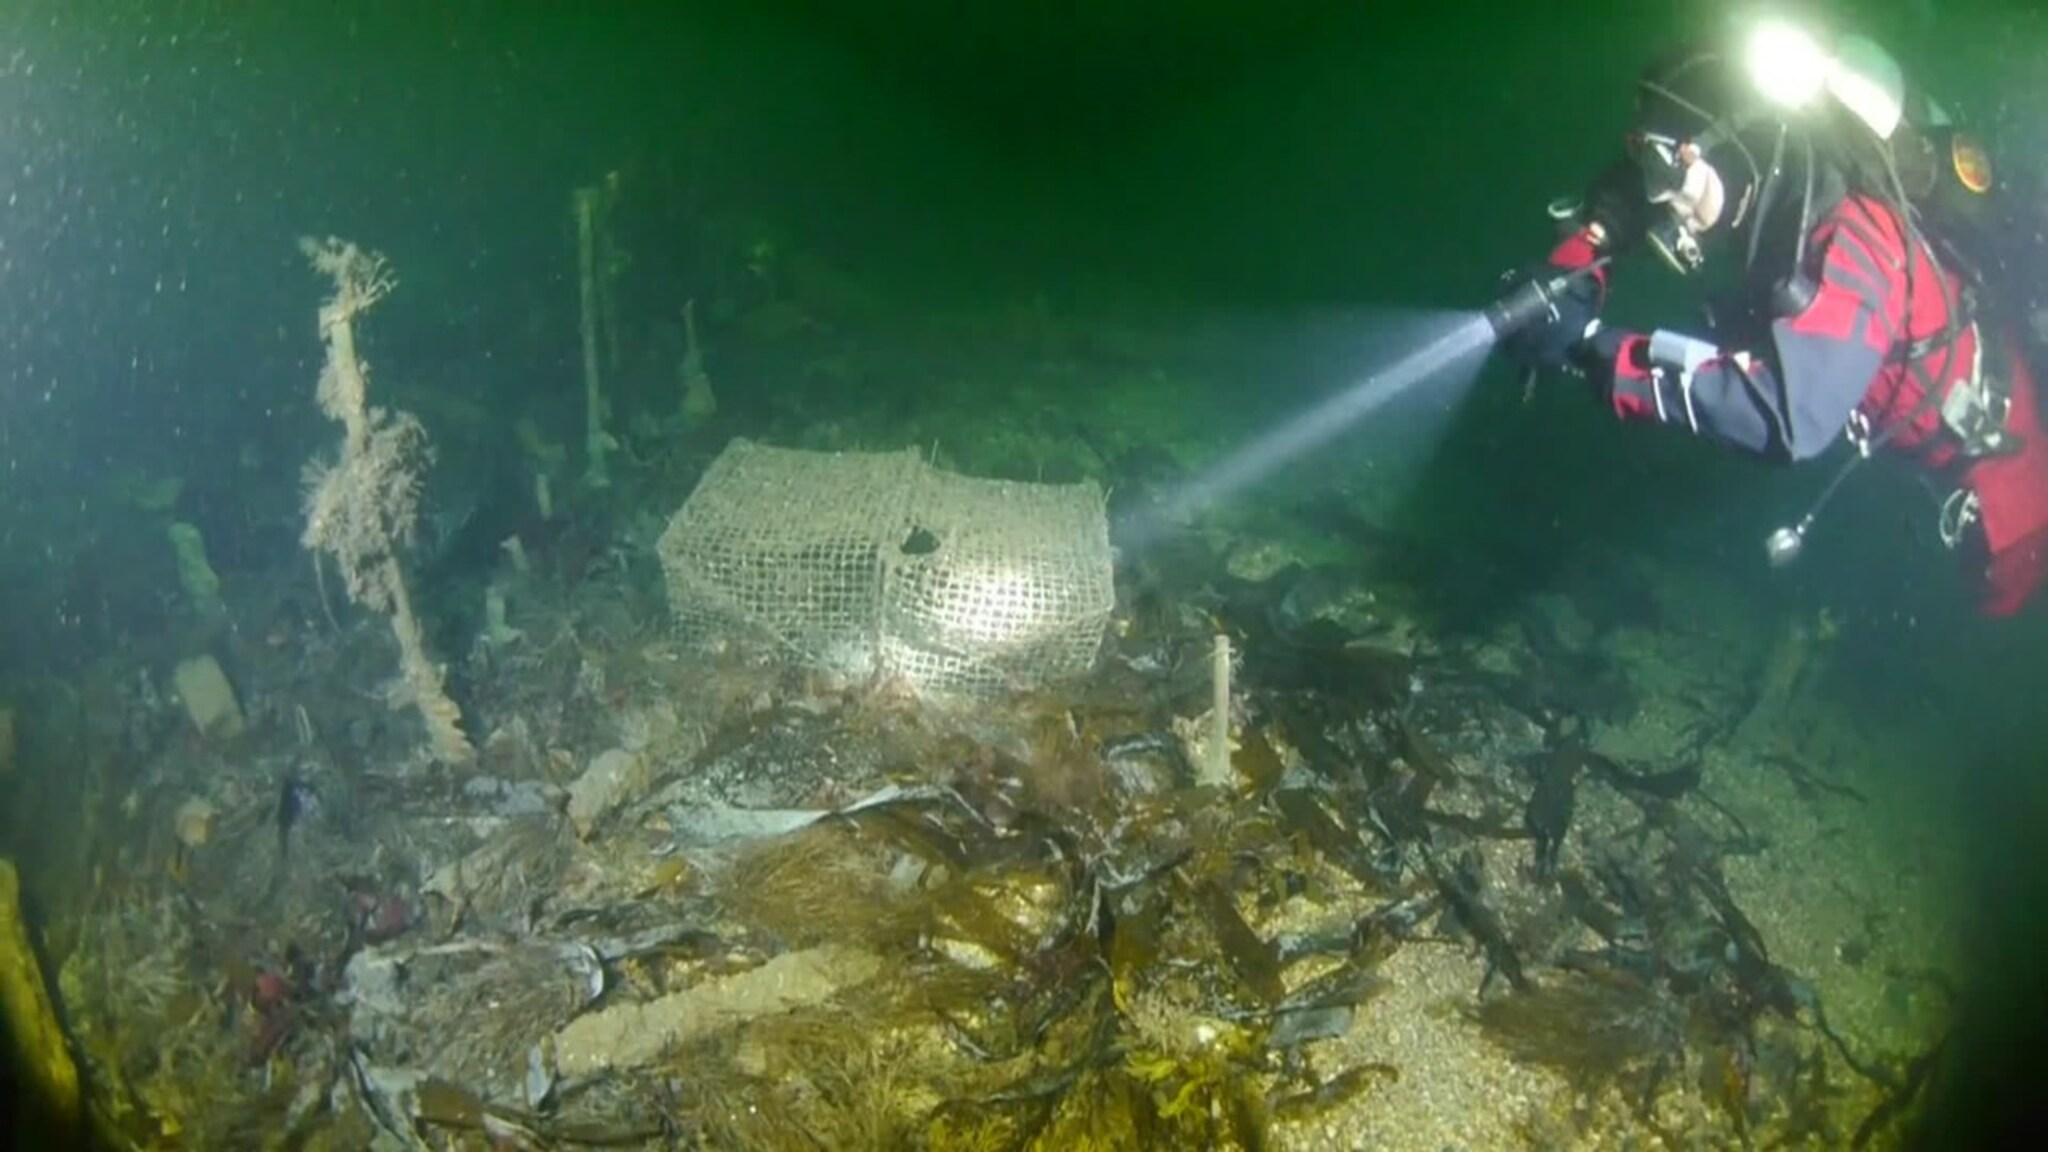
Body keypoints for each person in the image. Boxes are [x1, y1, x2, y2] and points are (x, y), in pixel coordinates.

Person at [1500, 21, 2048, 615]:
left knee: (1994, 601)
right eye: (1647, 160)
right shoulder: (1766, 191)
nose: (1660, 199)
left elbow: (1792, 419)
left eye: (1667, 168)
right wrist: (1573, 267)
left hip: (2011, 498)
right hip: (1902, 441)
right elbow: (1640, 188)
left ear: (1725, 149)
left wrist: (1592, 350)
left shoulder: (1857, 233)